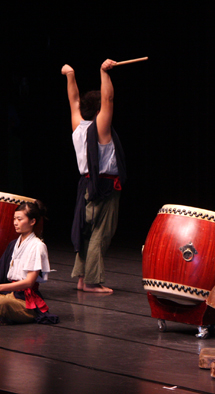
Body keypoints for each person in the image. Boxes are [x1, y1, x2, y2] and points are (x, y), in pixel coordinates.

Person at [62, 60, 127, 293]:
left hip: (86, 186)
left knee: (87, 231)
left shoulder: (78, 126)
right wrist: (103, 72)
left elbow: (73, 100)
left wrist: (70, 75)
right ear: (99, 110)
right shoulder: (100, 128)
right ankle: (91, 281)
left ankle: (82, 279)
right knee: (101, 232)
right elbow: (108, 100)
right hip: (104, 187)